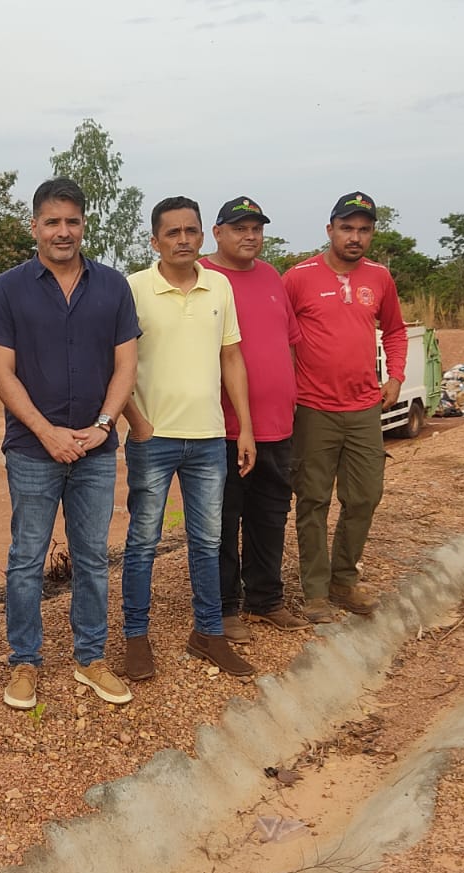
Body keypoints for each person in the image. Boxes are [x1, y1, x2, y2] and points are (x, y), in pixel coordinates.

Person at [0, 177, 139, 709]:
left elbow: (126, 365)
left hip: (95, 450)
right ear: (35, 227)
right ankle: (24, 661)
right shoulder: (8, 288)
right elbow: (1, 373)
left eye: (72, 221)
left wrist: (102, 425)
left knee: (93, 555)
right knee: (26, 557)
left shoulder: (114, 287)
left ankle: (90, 658)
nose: (63, 231)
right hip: (32, 450)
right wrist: (46, 432)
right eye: (52, 222)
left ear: (83, 225)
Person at [120, 196, 256, 680]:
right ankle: (136, 637)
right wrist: (136, 420)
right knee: (142, 542)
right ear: (154, 240)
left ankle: (208, 634)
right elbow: (115, 364)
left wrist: (245, 428)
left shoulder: (219, 287)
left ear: (202, 236)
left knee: (208, 540)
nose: (183, 240)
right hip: (151, 438)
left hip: (209, 439)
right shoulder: (133, 288)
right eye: (172, 232)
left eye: (190, 231)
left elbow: (232, 358)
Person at [282, 191, 406, 621]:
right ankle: (316, 592)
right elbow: (279, 337)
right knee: (313, 500)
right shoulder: (297, 277)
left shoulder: (380, 278)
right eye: (347, 228)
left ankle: (344, 580)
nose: (355, 237)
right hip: (313, 408)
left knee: (366, 496)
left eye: (364, 229)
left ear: (372, 233)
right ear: (330, 229)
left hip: (364, 408)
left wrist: (395, 377)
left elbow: (394, 331)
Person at [200, 197, 307, 642]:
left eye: (256, 228)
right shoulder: (204, 278)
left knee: (270, 514)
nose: (250, 236)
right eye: (239, 228)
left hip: (277, 425)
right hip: (222, 428)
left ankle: (266, 598)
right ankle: (224, 607)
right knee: (223, 518)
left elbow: (289, 342)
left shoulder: (271, 277)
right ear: (218, 233)